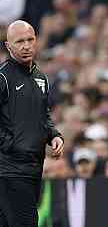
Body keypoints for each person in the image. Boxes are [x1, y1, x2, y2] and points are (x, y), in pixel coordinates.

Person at [0, 20, 64, 227]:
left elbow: (42, 115)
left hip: (33, 167)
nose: (26, 45)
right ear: (8, 46)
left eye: (30, 39)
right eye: (19, 41)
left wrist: (54, 134)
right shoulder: (3, 77)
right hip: (9, 169)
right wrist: (9, 145)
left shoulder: (41, 78)